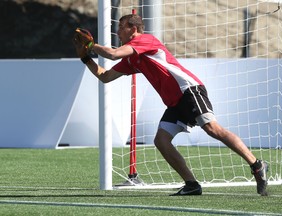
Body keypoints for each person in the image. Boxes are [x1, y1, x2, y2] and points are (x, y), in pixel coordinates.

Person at [73, 14, 268, 196]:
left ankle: (256, 164)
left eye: (121, 27)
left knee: (212, 128)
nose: (118, 32)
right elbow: (105, 77)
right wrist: (85, 58)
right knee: (161, 141)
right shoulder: (132, 58)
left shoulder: (144, 39)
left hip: (189, 90)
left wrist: (91, 45)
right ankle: (192, 184)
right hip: (175, 102)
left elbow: (113, 54)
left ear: (134, 29)